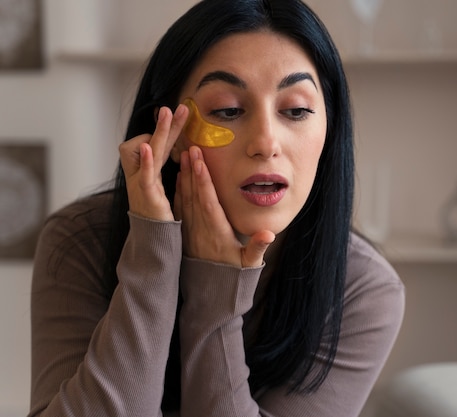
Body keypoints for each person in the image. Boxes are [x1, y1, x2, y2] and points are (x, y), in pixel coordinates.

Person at [28, 0, 405, 416]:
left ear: (329, 130)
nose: (266, 141)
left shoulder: (362, 288)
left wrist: (215, 299)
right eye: (227, 110)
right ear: (169, 134)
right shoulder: (79, 241)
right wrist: (153, 256)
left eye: (296, 110)